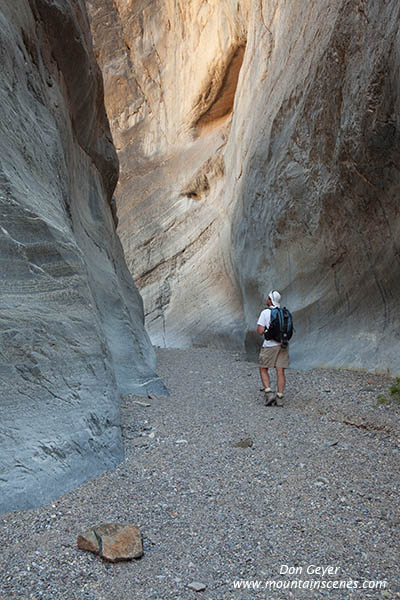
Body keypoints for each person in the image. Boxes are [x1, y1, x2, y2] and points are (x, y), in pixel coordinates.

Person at [257, 290, 290, 406]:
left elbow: (260, 331)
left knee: (263, 368)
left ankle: (269, 393)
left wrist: (267, 330)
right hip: (283, 345)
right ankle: (279, 397)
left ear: (270, 300)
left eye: (268, 298)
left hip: (269, 346)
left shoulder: (265, 312)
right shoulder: (284, 312)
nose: (267, 299)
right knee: (280, 371)